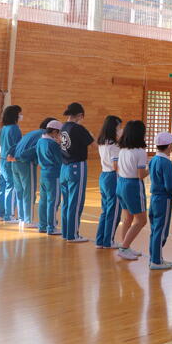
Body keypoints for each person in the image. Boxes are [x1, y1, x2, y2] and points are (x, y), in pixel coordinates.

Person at [59, 102, 94, 243]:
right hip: (76, 166)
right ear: (80, 115)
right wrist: (91, 135)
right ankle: (73, 235)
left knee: (67, 202)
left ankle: (66, 232)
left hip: (64, 167)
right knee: (76, 202)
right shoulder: (79, 129)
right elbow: (94, 145)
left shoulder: (63, 127)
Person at [13, 117, 56, 229]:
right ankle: (28, 220)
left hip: (14, 163)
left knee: (20, 192)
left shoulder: (32, 133)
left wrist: (13, 156)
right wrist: (21, 157)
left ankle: (22, 219)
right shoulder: (43, 136)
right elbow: (34, 149)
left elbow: (16, 145)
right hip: (26, 163)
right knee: (29, 193)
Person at [115, 120, 149, 261]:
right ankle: (124, 247)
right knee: (141, 221)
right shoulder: (140, 152)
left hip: (121, 183)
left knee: (128, 218)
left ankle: (125, 246)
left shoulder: (122, 150)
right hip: (133, 186)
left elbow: (118, 168)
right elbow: (141, 175)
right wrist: (151, 167)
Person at [148, 132, 172, 270]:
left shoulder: (153, 160)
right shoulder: (166, 162)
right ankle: (156, 261)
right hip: (163, 200)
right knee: (161, 231)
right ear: (168, 146)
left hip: (154, 198)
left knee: (155, 229)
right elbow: (170, 186)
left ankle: (154, 258)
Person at [96, 115, 122, 249]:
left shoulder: (102, 142)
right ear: (114, 127)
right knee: (114, 211)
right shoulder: (114, 145)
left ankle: (100, 240)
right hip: (113, 177)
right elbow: (116, 165)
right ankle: (108, 241)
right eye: (119, 127)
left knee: (105, 210)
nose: (121, 130)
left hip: (104, 176)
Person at [36, 120, 64, 235]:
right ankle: (51, 227)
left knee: (43, 201)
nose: (59, 135)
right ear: (54, 132)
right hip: (54, 175)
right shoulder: (53, 144)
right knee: (53, 201)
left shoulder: (40, 141)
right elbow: (60, 160)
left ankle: (42, 225)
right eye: (59, 132)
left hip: (43, 174)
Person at [0, 105, 22, 223]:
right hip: (10, 160)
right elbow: (17, 146)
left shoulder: (3, 128)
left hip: (2, 160)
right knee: (11, 187)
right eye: (19, 113)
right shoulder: (14, 128)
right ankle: (9, 215)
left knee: (2, 187)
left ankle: (0, 214)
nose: (20, 116)